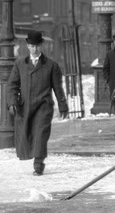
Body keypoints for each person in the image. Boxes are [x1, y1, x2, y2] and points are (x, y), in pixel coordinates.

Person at [7, 30, 69, 176]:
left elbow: (58, 88)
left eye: (37, 46)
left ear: (41, 46)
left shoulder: (51, 65)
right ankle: (34, 157)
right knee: (27, 134)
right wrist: (12, 102)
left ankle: (38, 163)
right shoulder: (20, 64)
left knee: (41, 134)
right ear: (27, 46)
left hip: (43, 106)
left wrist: (63, 105)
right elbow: (12, 85)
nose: (35, 49)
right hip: (25, 106)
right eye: (32, 46)